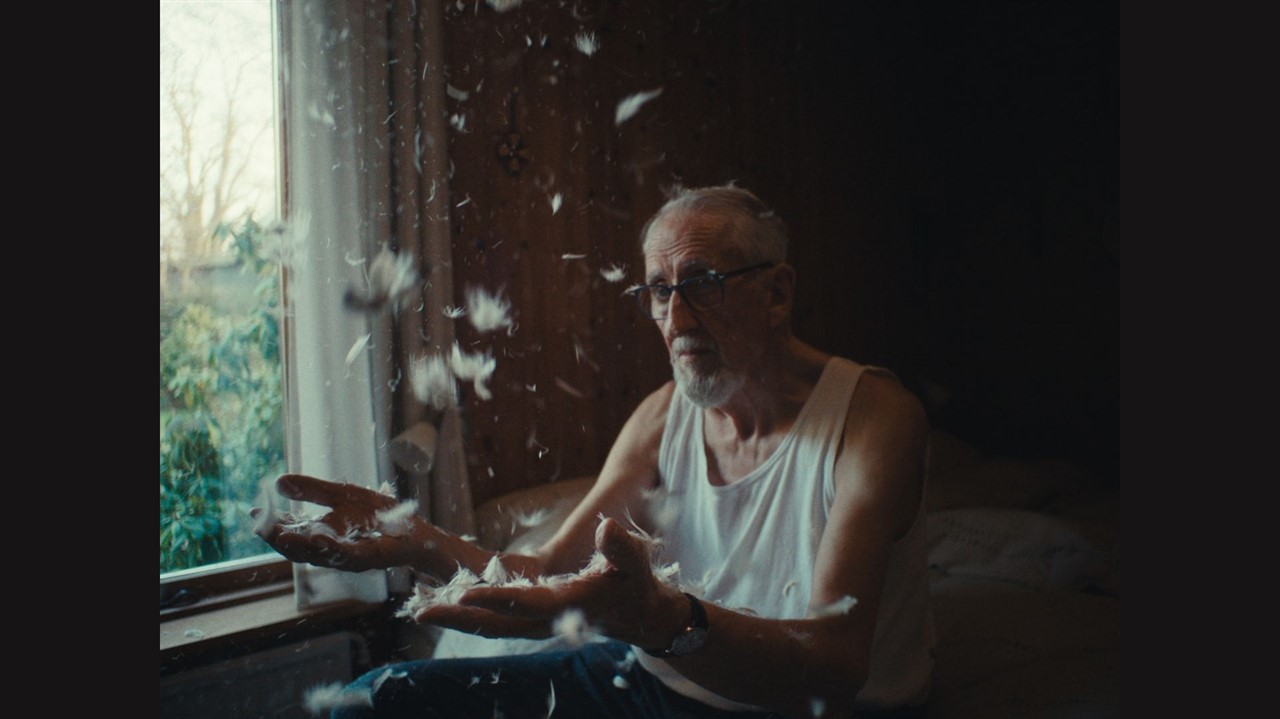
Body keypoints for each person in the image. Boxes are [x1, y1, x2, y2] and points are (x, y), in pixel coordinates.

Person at [255, 184, 935, 718]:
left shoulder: (876, 419)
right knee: (370, 701)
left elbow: (835, 672)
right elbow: (548, 570)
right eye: (659, 291)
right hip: (653, 684)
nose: (676, 319)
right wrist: (412, 539)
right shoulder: (663, 415)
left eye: (702, 282)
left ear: (778, 291)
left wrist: (664, 619)